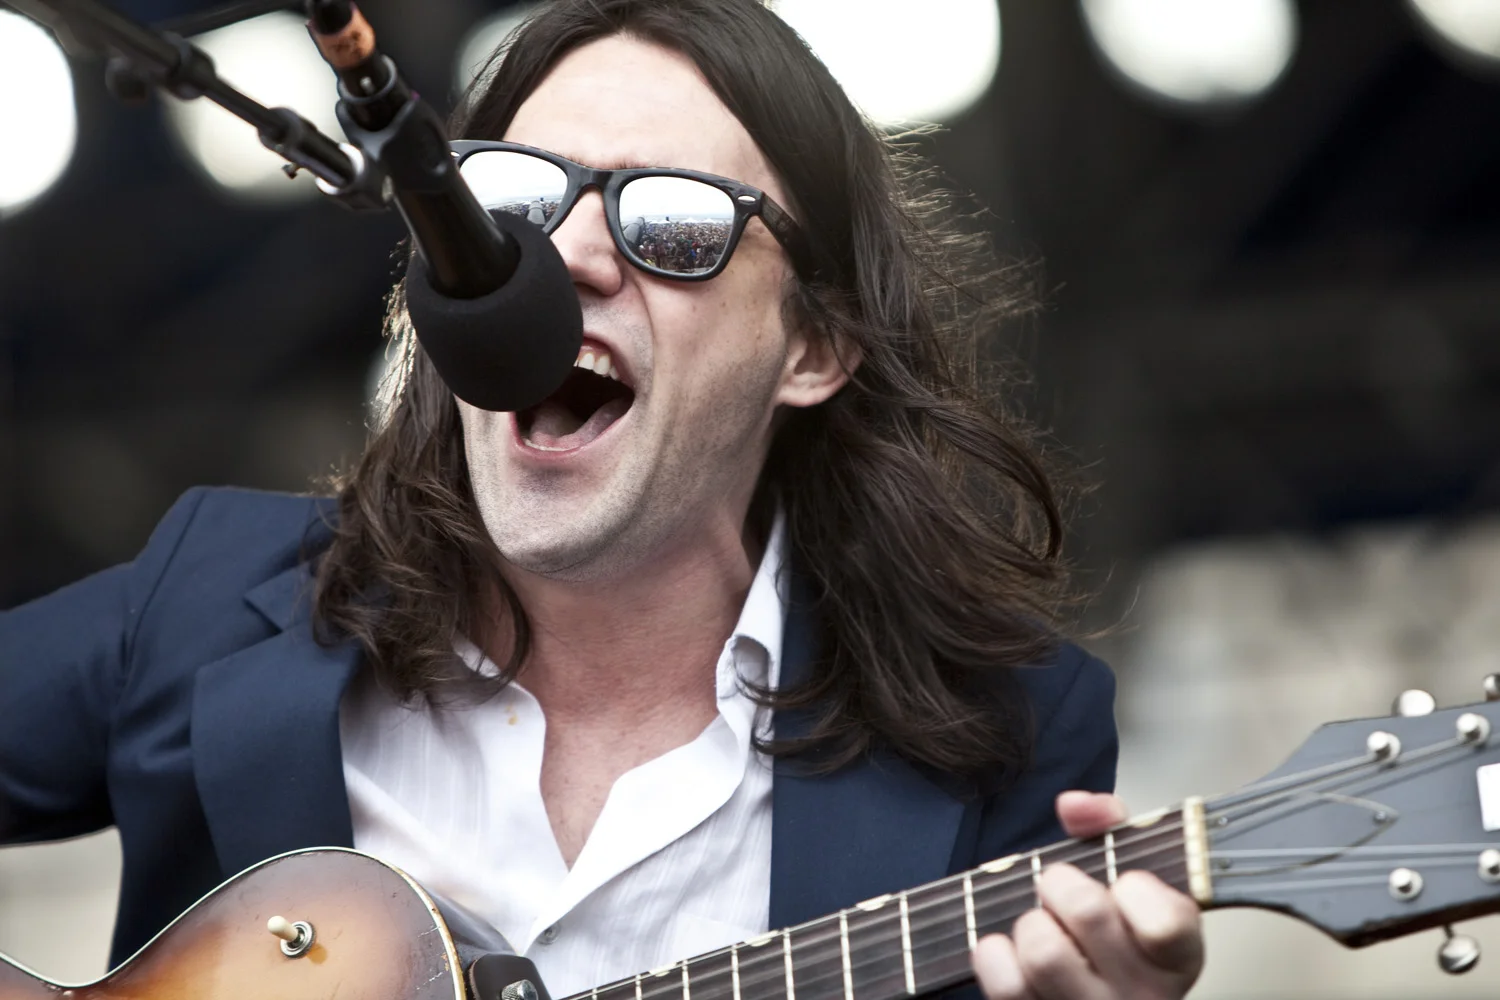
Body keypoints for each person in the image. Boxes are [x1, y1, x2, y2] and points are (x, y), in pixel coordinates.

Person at [0, 2, 1203, 999]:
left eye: (672, 220)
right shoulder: (213, 598)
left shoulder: (1014, 731)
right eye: (515, 199)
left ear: (815, 348)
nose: (568, 254)